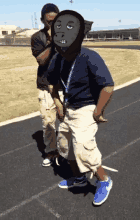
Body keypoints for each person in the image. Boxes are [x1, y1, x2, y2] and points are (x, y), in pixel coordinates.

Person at [46, 10, 114, 206]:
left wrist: (98, 111)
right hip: (68, 107)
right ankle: (79, 178)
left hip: (86, 107)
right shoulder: (57, 59)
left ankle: (104, 181)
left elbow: (108, 87)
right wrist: (58, 105)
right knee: (65, 146)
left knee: (84, 147)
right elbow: (52, 84)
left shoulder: (90, 57)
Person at [31, 3, 63, 167]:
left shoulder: (67, 35)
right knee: (48, 123)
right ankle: (51, 152)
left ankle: (65, 151)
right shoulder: (37, 37)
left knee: (67, 121)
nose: (52, 23)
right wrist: (52, 43)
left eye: (55, 20)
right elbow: (41, 60)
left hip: (64, 86)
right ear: (43, 20)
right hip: (45, 86)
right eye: (48, 20)